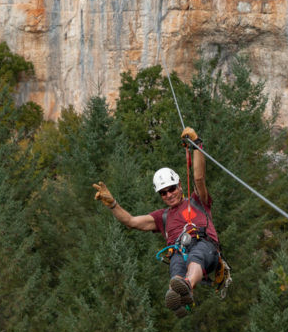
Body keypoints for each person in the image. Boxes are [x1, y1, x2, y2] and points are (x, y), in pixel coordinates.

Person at [92, 127, 219, 317]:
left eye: (171, 189)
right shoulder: (162, 217)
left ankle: (187, 285)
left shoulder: (197, 201)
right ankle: (183, 298)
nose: (169, 194)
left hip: (205, 247)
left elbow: (199, 178)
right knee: (176, 266)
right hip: (179, 251)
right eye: (163, 192)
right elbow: (131, 221)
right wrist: (113, 204)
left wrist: (196, 145)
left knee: (196, 256)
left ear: (180, 186)